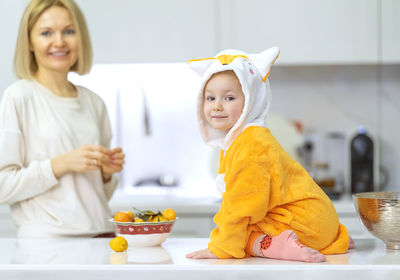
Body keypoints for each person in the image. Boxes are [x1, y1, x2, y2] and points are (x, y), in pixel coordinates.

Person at [186, 47, 353, 262]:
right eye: (210, 98)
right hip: (318, 220)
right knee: (238, 227)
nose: (217, 106)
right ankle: (324, 237)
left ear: (251, 100)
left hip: (303, 225)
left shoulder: (250, 147)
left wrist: (221, 248)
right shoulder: (245, 139)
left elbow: (239, 207)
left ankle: (281, 246)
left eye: (228, 98)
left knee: (239, 235)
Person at [0, 0, 125, 238]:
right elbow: (2, 186)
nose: (59, 42)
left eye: (69, 31)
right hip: (49, 243)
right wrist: (60, 164)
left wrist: (105, 174)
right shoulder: (19, 97)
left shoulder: (94, 103)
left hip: (102, 235)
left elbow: (98, 195)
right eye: (46, 33)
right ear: (29, 42)